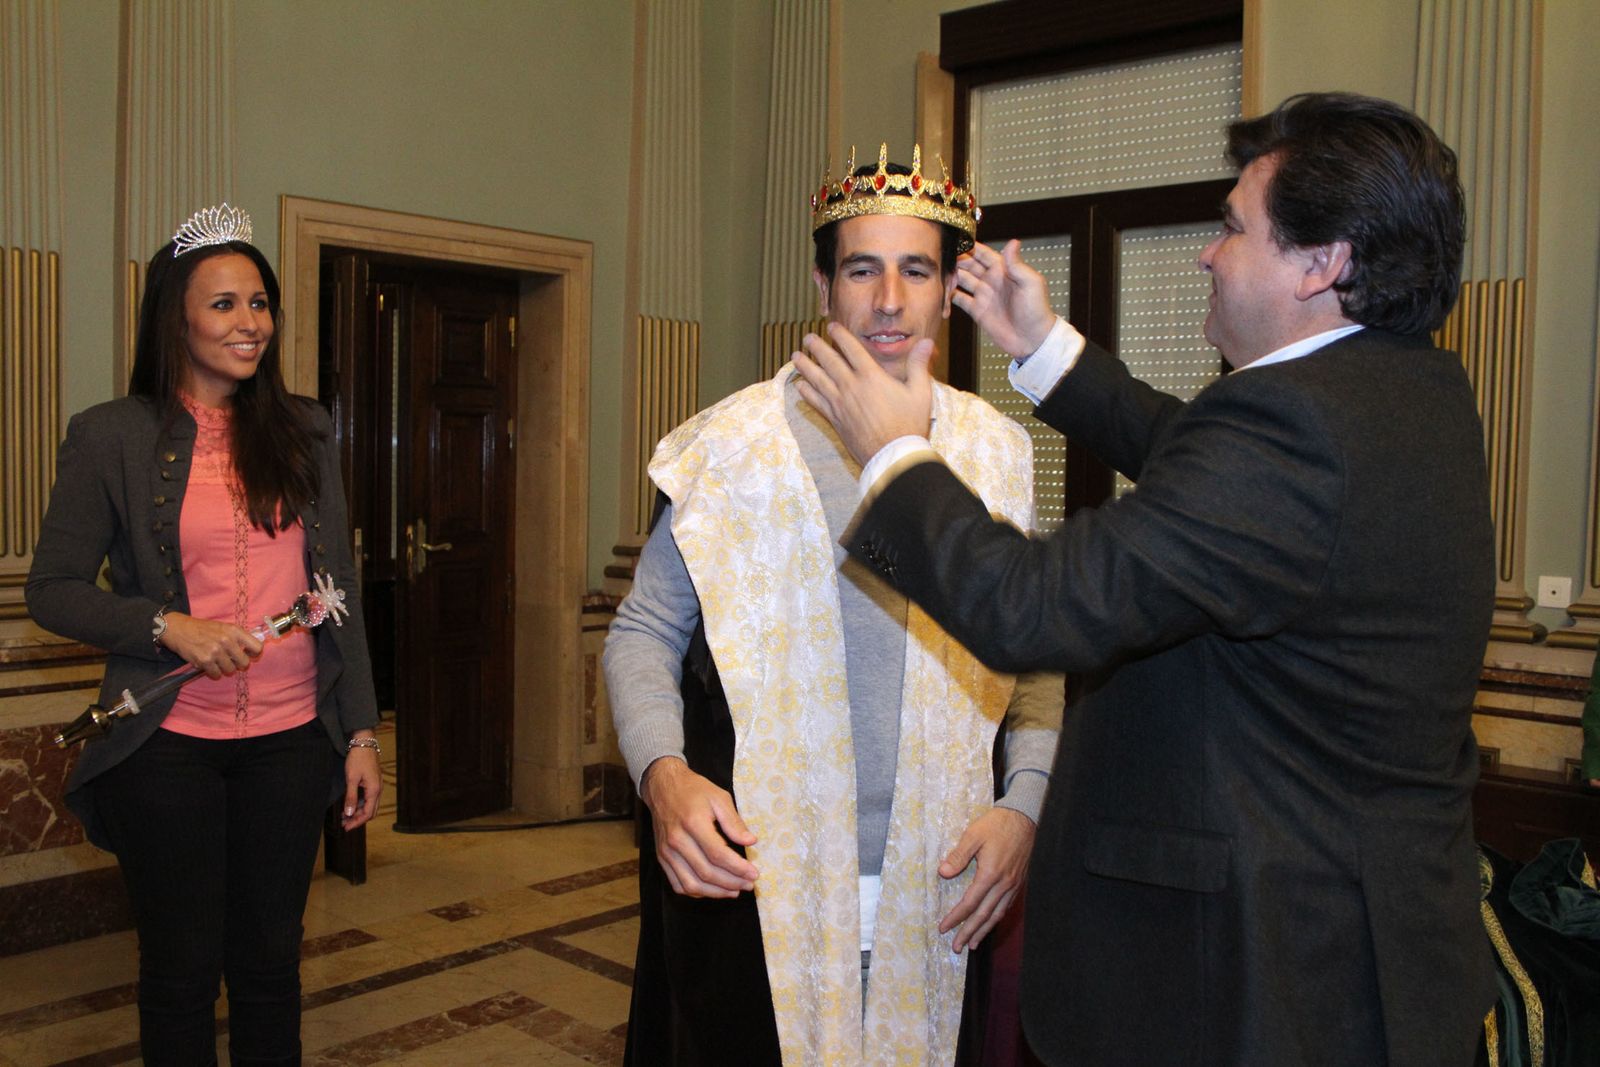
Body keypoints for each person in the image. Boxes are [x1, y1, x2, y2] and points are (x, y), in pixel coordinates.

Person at [795, 93, 1497, 1065]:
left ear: (1322, 261)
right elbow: (1196, 466)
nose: (1208, 253)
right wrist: (1042, 349)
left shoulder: (1295, 434)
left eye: (1232, 227)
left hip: (1259, 979)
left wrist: (895, 459)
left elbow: (1028, 607)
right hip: (1367, 944)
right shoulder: (1402, 393)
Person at [605, 144, 1062, 1066]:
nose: (888, 298)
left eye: (916, 269)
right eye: (862, 267)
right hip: (756, 874)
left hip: (939, 878)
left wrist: (1025, 803)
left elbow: (1039, 651)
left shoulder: (995, 453)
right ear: (824, 285)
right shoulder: (727, 448)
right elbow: (642, 631)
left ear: (946, 291)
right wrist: (664, 775)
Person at [26, 204, 381, 1065]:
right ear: (174, 316)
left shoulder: (305, 430)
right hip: (168, 745)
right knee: (180, 972)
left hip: (293, 743)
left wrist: (362, 731)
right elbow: (52, 590)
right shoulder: (110, 435)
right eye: (223, 304)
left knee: (270, 968)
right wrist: (167, 625)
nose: (248, 323)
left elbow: (340, 591)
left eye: (259, 303)